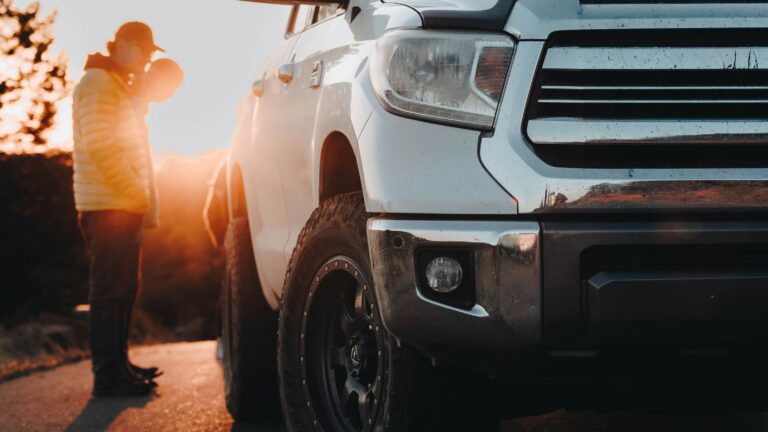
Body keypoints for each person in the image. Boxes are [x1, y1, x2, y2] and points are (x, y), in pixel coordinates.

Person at [72, 21, 165, 397]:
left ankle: (118, 366)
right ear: (125, 45)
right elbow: (100, 145)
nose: (145, 62)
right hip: (108, 206)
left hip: (121, 206)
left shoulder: (114, 84)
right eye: (143, 52)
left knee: (123, 289)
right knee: (110, 291)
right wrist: (134, 192)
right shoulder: (96, 83)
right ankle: (107, 376)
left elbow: (130, 139)